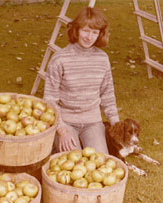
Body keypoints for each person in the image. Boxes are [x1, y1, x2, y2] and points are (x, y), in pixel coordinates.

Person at [43, 6, 119, 154]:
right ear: (76, 30)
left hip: (93, 122)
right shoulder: (60, 59)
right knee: (75, 161)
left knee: (101, 163)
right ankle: (56, 145)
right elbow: (50, 99)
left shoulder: (103, 59)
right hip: (66, 121)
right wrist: (61, 131)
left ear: (100, 34)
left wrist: (115, 122)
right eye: (85, 31)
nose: (89, 37)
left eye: (94, 32)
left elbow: (107, 94)